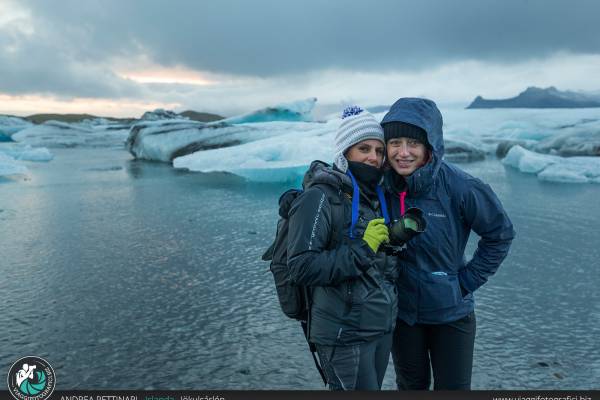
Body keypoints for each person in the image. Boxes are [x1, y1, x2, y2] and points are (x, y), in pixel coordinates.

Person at [381, 98, 515, 390]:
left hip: (452, 314)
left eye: (413, 144)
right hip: (403, 315)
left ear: (431, 146)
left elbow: (500, 234)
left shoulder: (461, 186)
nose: (403, 153)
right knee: (409, 386)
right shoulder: (382, 186)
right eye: (395, 142)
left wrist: (464, 283)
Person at [285, 106, 398, 390]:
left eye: (378, 150)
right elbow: (301, 266)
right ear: (344, 152)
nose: (373, 157)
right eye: (363, 149)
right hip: (343, 333)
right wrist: (363, 248)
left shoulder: (377, 197)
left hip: (379, 327)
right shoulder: (319, 197)